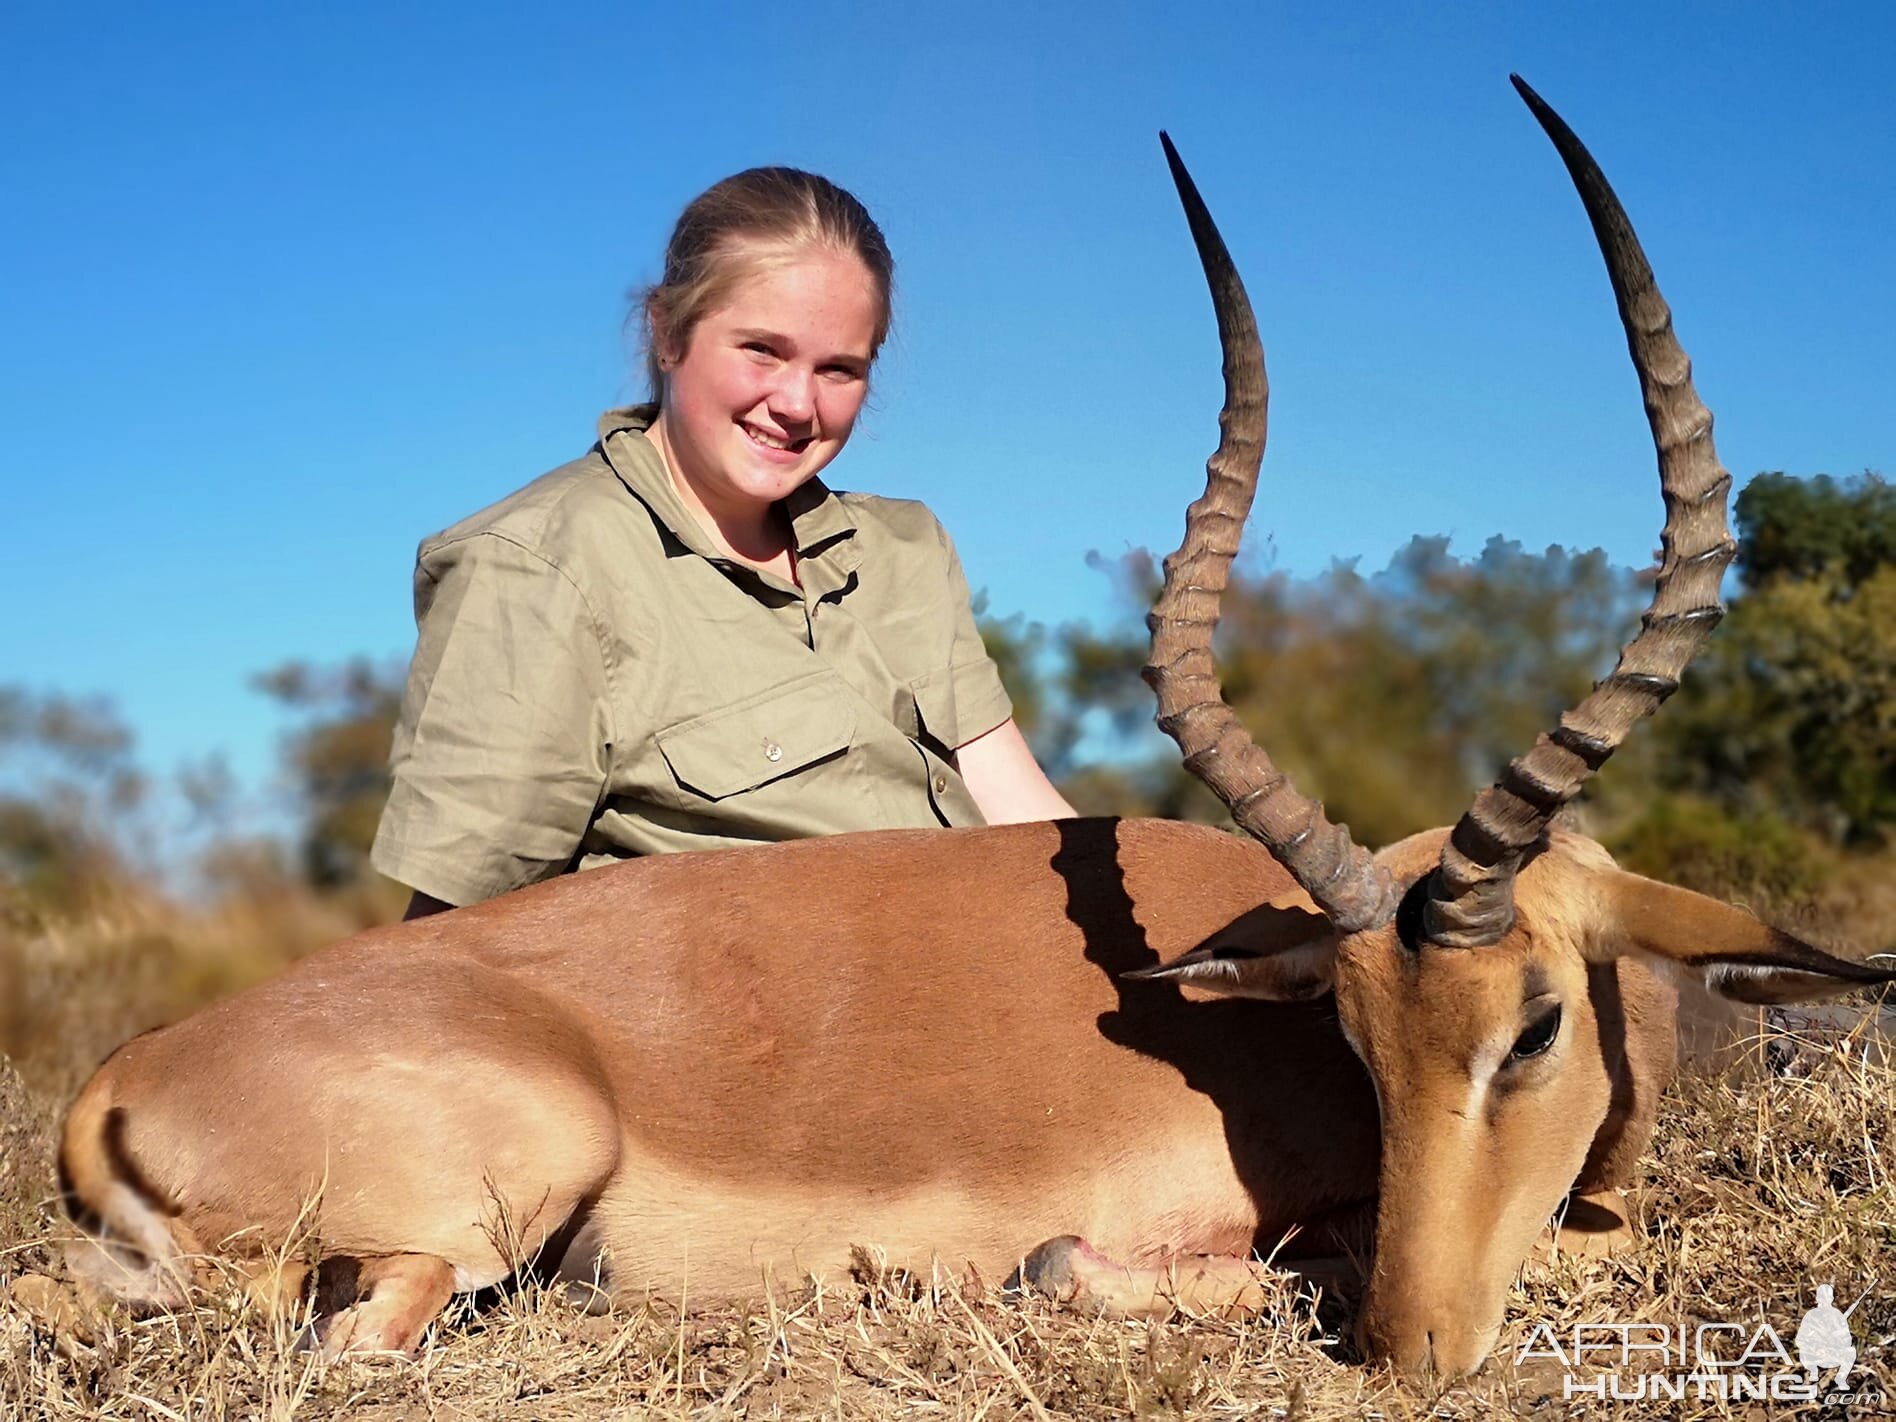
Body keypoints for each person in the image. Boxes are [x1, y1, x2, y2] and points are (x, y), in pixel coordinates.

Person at [371, 166, 1074, 918]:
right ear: (668, 333)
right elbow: (450, 935)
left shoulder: (905, 549)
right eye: (763, 350)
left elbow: (1032, 827)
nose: (798, 404)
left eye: (839, 369)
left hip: (977, 990)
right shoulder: (537, 567)